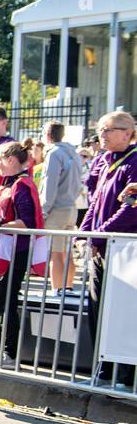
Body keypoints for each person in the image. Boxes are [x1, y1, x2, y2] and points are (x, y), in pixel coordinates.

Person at [80, 110, 137, 391]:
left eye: (109, 130)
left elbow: (131, 207)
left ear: (127, 132)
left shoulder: (134, 161)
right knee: (97, 309)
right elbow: (94, 202)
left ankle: (126, 376)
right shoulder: (104, 161)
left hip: (124, 249)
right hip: (102, 248)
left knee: (122, 313)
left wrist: (100, 235)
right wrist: (86, 233)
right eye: (100, 130)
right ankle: (102, 371)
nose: (102, 135)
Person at [0, 142, 43, 364]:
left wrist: (0, 226)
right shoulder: (5, 185)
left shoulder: (22, 185)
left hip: (14, 252)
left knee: (6, 301)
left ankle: (9, 351)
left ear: (9, 160)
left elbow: (27, 221)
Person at [38, 122, 86, 294]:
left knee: (55, 253)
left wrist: (43, 210)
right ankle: (68, 286)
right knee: (67, 251)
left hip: (56, 208)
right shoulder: (72, 153)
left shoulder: (54, 154)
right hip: (71, 206)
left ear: (47, 135)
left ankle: (57, 288)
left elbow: (49, 184)